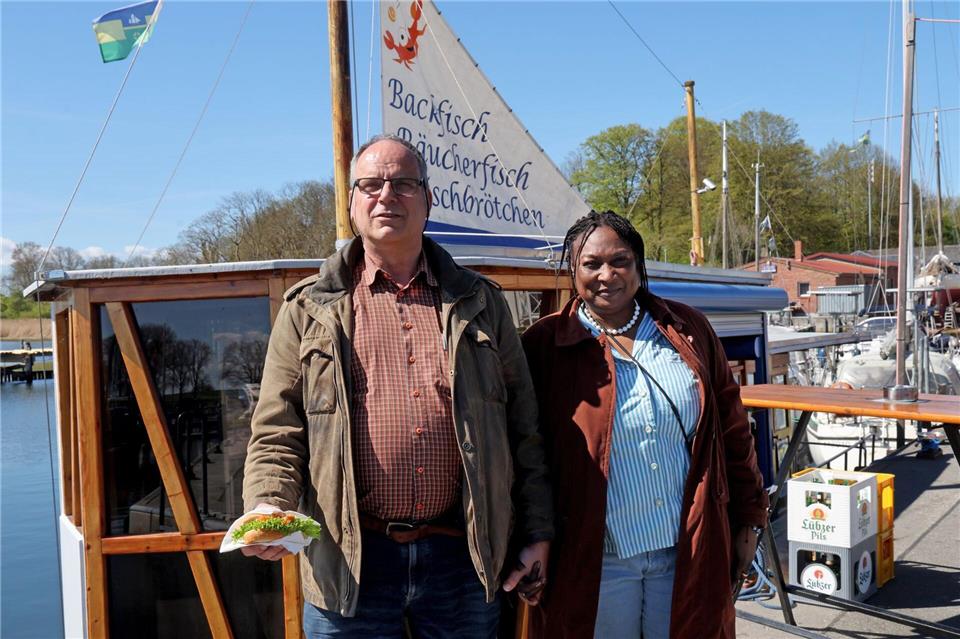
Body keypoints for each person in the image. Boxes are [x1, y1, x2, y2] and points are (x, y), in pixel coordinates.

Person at [241, 134, 553, 638]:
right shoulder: (306, 310)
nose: (386, 195)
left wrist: (537, 532)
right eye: (371, 184)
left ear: (428, 200)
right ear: (351, 202)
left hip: (464, 559)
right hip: (349, 562)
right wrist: (269, 503)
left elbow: (525, 432)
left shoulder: (482, 302)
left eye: (404, 184)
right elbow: (277, 429)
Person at [521, 211, 768, 638]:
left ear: (638, 265)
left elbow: (732, 430)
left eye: (619, 261)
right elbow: (526, 453)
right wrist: (530, 536)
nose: (606, 275)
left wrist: (750, 515)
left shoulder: (688, 330)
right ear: (572, 270)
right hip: (596, 558)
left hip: (688, 549)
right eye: (591, 264)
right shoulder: (544, 345)